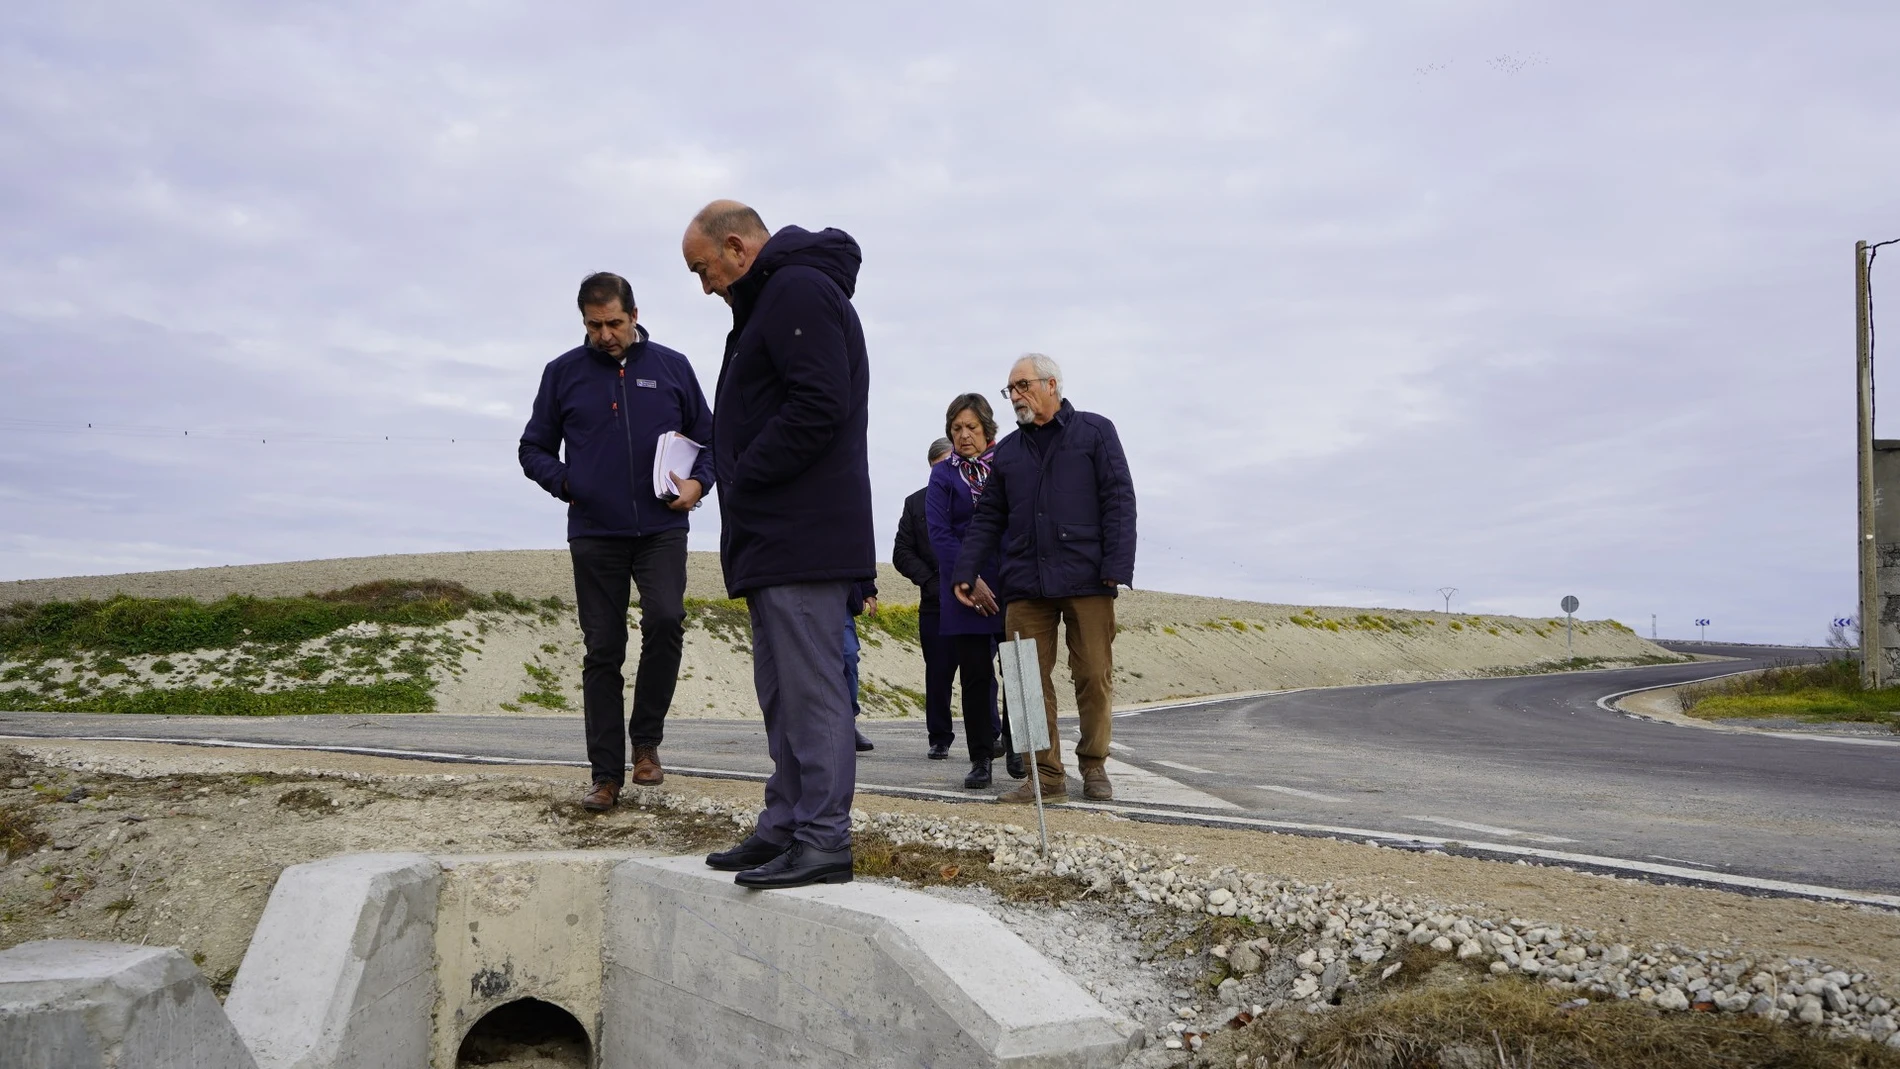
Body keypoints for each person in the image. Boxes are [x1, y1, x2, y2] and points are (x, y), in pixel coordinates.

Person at [683, 200, 873, 889]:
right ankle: (787, 822)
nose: (703, 285)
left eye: (702, 269)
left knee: (813, 692)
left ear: (736, 247)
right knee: (783, 693)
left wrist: (745, 471)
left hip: (804, 534)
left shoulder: (797, 289)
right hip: (774, 537)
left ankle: (824, 837)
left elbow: (819, 402)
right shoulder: (767, 302)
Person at [518, 272, 714, 812]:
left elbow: (712, 440)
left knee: (667, 621)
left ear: (634, 315)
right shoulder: (563, 374)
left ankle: (646, 743)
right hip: (594, 533)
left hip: (662, 528)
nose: (605, 334)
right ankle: (605, 775)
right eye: (593, 325)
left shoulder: (672, 367)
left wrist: (699, 483)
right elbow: (532, 447)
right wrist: (566, 482)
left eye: (614, 323)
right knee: (603, 651)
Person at [951, 354, 1136, 803]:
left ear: (1052, 385)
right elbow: (989, 515)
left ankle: (1093, 766)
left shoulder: (1095, 432)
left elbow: (1118, 498)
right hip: (1025, 583)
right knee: (1023, 680)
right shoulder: (1010, 451)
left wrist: (1116, 567)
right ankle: (1046, 777)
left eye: (1023, 386)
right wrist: (965, 570)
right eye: (1010, 389)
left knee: (1093, 675)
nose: (1016, 396)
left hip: (1089, 578)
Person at [927, 393, 1016, 789]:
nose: (963, 436)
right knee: (976, 678)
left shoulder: (1009, 465)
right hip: (963, 590)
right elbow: (940, 533)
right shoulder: (943, 475)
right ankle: (982, 757)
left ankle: (1019, 749)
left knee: (1018, 670)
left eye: (971, 428)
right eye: (956, 428)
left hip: (1011, 583)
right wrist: (968, 577)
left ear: (987, 429)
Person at [892, 438, 955, 759]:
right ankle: (939, 737)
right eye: (936, 468)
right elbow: (901, 552)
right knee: (938, 673)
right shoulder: (915, 504)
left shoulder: (978, 498)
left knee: (982, 674)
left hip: (976, 603)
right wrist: (931, 581)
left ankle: (992, 737)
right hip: (935, 605)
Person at [843, 579, 878, 752]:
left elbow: (860, 552)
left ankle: (848, 726)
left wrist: (868, 590)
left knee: (848, 655)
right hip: (802, 590)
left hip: (840, 596)